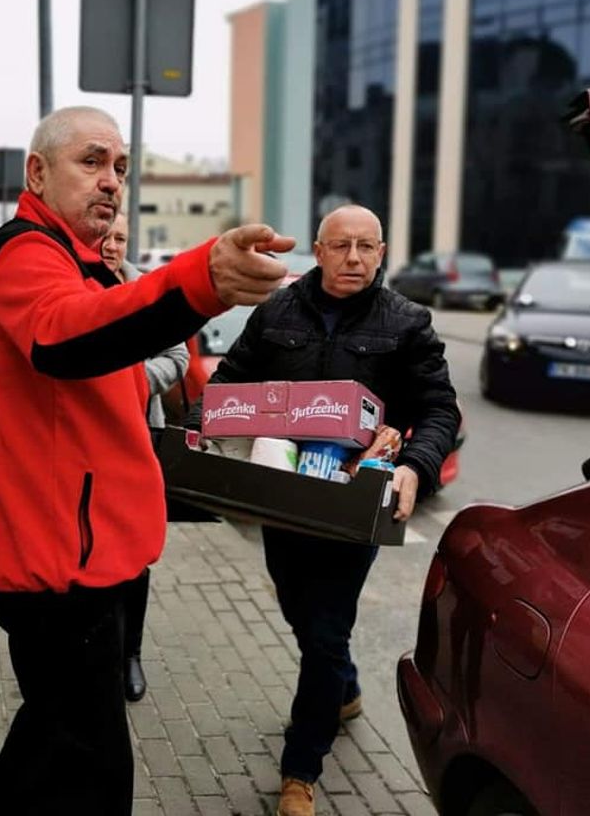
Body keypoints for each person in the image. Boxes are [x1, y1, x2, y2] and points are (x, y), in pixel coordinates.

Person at [0, 105, 293, 815]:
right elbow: (62, 339)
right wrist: (199, 280)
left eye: (121, 167)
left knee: (65, 746)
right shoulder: (22, 251)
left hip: (82, 550)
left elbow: (113, 368)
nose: (112, 181)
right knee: (87, 760)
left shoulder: (78, 261)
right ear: (37, 174)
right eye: (92, 161)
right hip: (57, 562)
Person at [189, 204, 460, 816]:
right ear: (318, 249)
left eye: (366, 247)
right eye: (341, 246)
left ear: (382, 253)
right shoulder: (276, 311)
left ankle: (299, 772)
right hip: (283, 499)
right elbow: (229, 384)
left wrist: (416, 463)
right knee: (298, 609)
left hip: (351, 502)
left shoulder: (408, 322)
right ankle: (346, 688)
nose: (354, 259)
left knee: (325, 628)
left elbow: (439, 409)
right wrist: (197, 430)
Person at [99, 212, 190, 702]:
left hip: (141, 431)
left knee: (134, 550)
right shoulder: (74, 287)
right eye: (105, 237)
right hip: (88, 440)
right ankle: (101, 652)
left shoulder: (149, 290)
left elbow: (177, 359)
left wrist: (127, 382)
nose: (112, 246)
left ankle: (130, 653)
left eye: (120, 239)